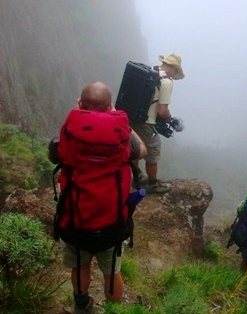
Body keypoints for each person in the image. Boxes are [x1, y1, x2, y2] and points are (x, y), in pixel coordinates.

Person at [48, 81, 147, 312]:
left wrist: (78, 115)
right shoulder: (121, 139)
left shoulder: (69, 136)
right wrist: (121, 121)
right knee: (112, 271)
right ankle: (113, 310)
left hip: (76, 219)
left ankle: (82, 306)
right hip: (112, 222)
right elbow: (142, 150)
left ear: (80, 104)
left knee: (80, 265)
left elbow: (54, 153)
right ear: (110, 106)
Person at [130, 53, 185, 194]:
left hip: (131, 117)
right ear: (173, 68)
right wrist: (171, 121)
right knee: (153, 151)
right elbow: (162, 110)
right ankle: (153, 185)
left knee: (135, 148)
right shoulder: (166, 82)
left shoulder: (151, 71)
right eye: (176, 71)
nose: (174, 75)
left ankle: (137, 178)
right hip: (146, 122)